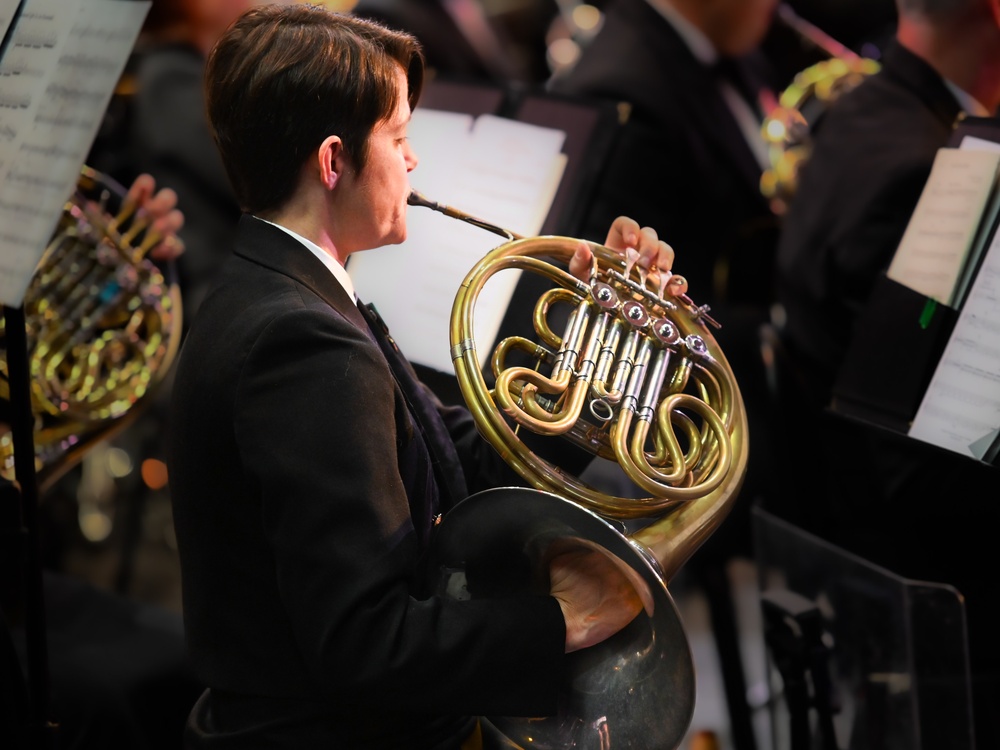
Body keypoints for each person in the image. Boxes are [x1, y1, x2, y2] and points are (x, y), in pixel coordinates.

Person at [166, 5, 677, 748]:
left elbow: (457, 459)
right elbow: (367, 645)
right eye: (400, 138)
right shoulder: (302, 346)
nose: (412, 163)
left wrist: (599, 342)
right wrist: (561, 619)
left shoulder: (283, 289)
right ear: (333, 161)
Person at [771, 0, 1000, 746]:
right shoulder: (934, 169)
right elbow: (923, 465)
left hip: (841, 542)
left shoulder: (861, 109)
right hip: (921, 589)